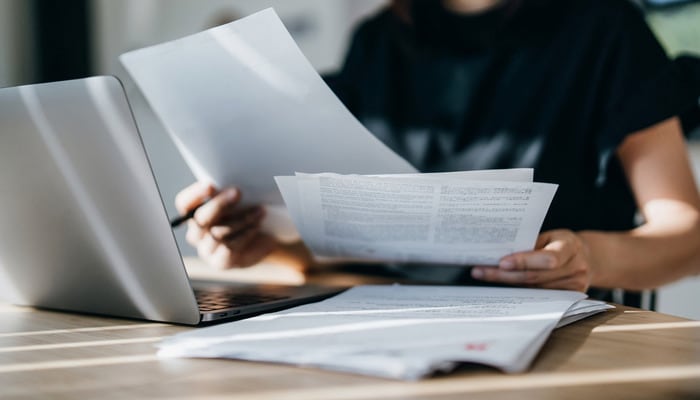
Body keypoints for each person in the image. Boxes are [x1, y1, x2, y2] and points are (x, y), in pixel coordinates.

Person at [175, 0, 700, 300]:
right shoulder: (377, 42)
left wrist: (590, 256)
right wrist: (264, 243)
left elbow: (688, 237)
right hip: (383, 324)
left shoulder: (606, 30)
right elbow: (363, 241)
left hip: (553, 338)